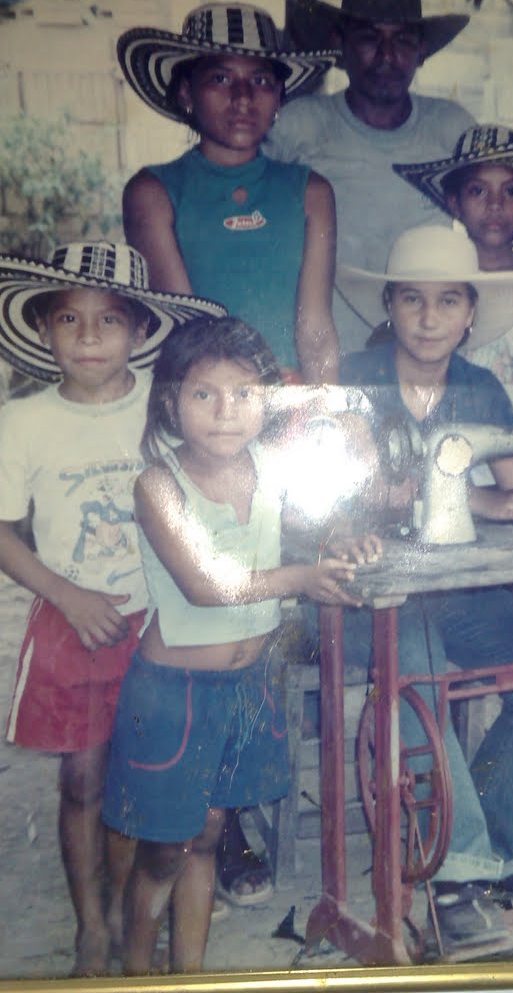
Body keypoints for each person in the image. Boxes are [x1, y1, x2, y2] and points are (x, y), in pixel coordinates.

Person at [101, 317, 378, 975]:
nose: (226, 413)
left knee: (208, 836)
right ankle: (136, 973)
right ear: (170, 401)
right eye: (204, 395)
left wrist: (340, 536)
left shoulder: (273, 467)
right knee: (164, 851)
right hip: (174, 697)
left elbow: (330, 504)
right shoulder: (158, 486)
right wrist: (305, 578)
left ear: (267, 403)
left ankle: (189, 975)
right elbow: (206, 584)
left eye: (244, 395)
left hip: (246, 688)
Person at [331, 224, 513, 951]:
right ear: (389, 306)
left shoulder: (479, 386)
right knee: (420, 669)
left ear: (472, 312)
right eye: (413, 300)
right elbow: (338, 497)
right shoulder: (350, 378)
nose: (430, 317)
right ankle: (453, 872)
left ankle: (494, 849)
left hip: (440, 588)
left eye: (448, 302)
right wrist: (476, 501)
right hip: (351, 586)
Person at [0, 241, 224, 976]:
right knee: (82, 779)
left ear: (137, 330)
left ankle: (135, 919)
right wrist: (64, 593)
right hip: (74, 622)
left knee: (145, 778)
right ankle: (89, 925)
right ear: (41, 329)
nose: (89, 337)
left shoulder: (165, 407)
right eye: (68, 318)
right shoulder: (23, 420)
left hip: (161, 620)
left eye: (107, 321)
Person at [118, 2, 339, 382]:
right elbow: (188, 331)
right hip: (204, 397)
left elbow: (316, 331)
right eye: (220, 79)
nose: (242, 98)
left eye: (261, 81)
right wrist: (257, 383)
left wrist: (321, 405)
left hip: (291, 398)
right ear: (187, 93)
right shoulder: (153, 192)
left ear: (280, 96)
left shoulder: (311, 192)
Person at [264, 0, 475, 353]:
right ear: (339, 43)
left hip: (425, 355)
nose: (386, 57)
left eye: (403, 42)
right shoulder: (303, 125)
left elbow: (490, 230)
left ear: (422, 51)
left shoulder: (450, 127)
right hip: (324, 354)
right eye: (368, 38)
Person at [393, 123, 513, 426]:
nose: (495, 205)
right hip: (449, 442)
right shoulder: (436, 279)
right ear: (454, 202)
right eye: (478, 190)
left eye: (511, 191)